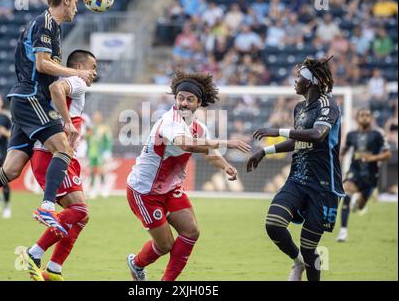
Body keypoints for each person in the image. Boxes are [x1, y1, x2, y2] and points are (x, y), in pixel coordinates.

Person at [0, 0, 96, 239]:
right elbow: (41, 64)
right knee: (64, 147)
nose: (76, 7)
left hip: (22, 100)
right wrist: (77, 72)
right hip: (31, 98)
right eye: (76, 1)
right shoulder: (45, 23)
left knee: (9, 171)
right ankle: (47, 207)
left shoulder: (51, 27)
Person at [126, 70, 251, 281]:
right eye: (180, 98)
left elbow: (209, 153)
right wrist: (227, 142)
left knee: (191, 231)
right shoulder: (169, 120)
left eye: (189, 99)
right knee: (165, 245)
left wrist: (226, 166)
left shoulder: (198, 127)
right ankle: (136, 264)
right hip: (144, 191)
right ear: (175, 99)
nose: (184, 103)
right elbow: (186, 144)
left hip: (171, 189)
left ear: (198, 103)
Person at [247, 56, 343, 281]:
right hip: (298, 178)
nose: (295, 79)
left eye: (299, 76)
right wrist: (265, 152)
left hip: (324, 185)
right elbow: (299, 140)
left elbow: (317, 135)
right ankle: (297, 261)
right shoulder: (300, 108)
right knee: (274, 223)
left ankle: (306, 264)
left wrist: (277, 131)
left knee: (310, 249)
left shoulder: (328, 104)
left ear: (309, 83)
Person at [19, 50, 96, 281]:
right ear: (80, 66)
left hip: (61, 156)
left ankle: (54, 269)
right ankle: (33, 254)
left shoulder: (73, 83)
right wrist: (68, 123)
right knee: (80, 211)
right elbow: (56, 89)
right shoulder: (77, 81)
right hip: (52, 155)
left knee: (81, 216)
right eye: (93, 66)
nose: (95, 72)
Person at [336, 108, 391, 242]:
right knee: (347, 191)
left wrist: (371, 158)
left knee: (360, 206)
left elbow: (387, 154)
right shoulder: (351, 135)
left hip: (371, 177)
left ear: (371, 118)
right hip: (354, 173)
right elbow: (343, 151)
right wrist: (337, 163)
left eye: (367, 115)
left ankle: (357, 203)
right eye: (362, 115)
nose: (365, 118)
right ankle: (343, 231)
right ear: (357, 118)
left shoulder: (377, 134)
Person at [86, 110, 113, 198]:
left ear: (101, 118)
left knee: (100, 169)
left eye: (98, 116)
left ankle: (103, 187)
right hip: (92, 152)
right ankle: (93, 188)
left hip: (100, 152)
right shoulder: (91, 128)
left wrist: (107, 151)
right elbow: (88, 140)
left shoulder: (104, 128)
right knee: (92, 170)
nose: (96, 118)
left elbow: (108, 140)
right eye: (95, 116)